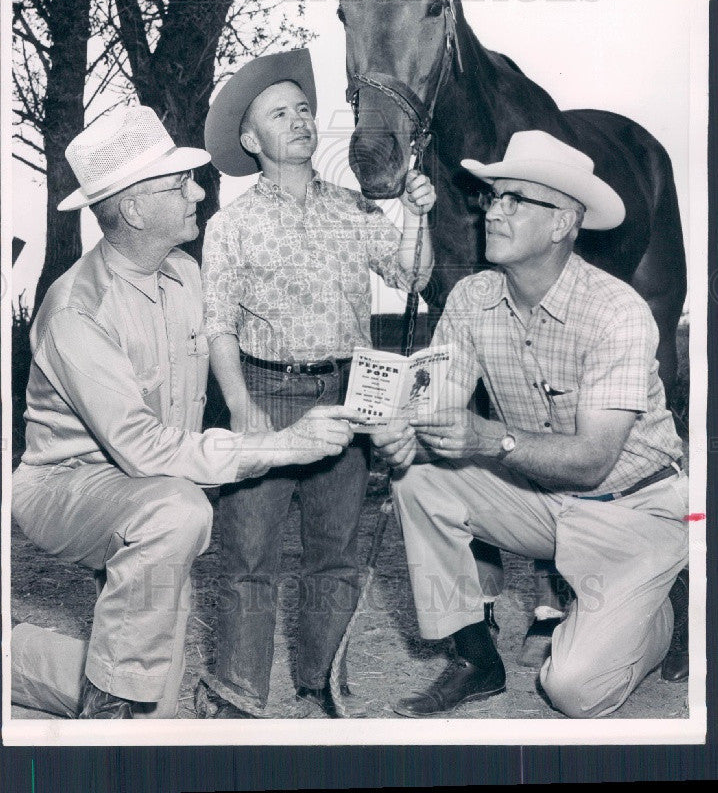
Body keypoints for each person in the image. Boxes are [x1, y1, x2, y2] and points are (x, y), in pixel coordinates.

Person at [11, 105, 355, 720]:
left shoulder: (186, 274)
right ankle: (108, 717)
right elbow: (145, 449)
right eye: (179, 184)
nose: (199, 191)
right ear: (136, 209)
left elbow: (265, 329)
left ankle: (25, 661)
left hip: (150, 490)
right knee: (178, 509)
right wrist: (283, 446)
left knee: (158, 707)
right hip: (67, 488)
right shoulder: (76, 312)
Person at [372, 130, 689, 719]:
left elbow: (594, 459)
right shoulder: (471, 298)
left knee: (571, 691)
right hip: (543, 503)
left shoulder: (616, 310)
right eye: (494, 197)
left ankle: (659, 613)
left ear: (564, 223)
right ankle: (476, 659)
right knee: (416, 475)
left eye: (517, 200)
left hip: (632, 509)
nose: (495, 210)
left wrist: (491, 438)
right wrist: (403, 432)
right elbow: (436, 405)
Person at [202, 47, 436, 716]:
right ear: (251, 140)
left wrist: (417, 213)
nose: (300, 120)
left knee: (335, 553)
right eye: (280, 113)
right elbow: (217, 325)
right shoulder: (232, 225)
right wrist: (241, 407)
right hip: (265, 393)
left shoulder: (355, 210)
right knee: (251, 554)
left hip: (348, 393)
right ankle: (240, 689)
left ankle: (319, 682)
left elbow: (412, 276)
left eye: (304, 109)